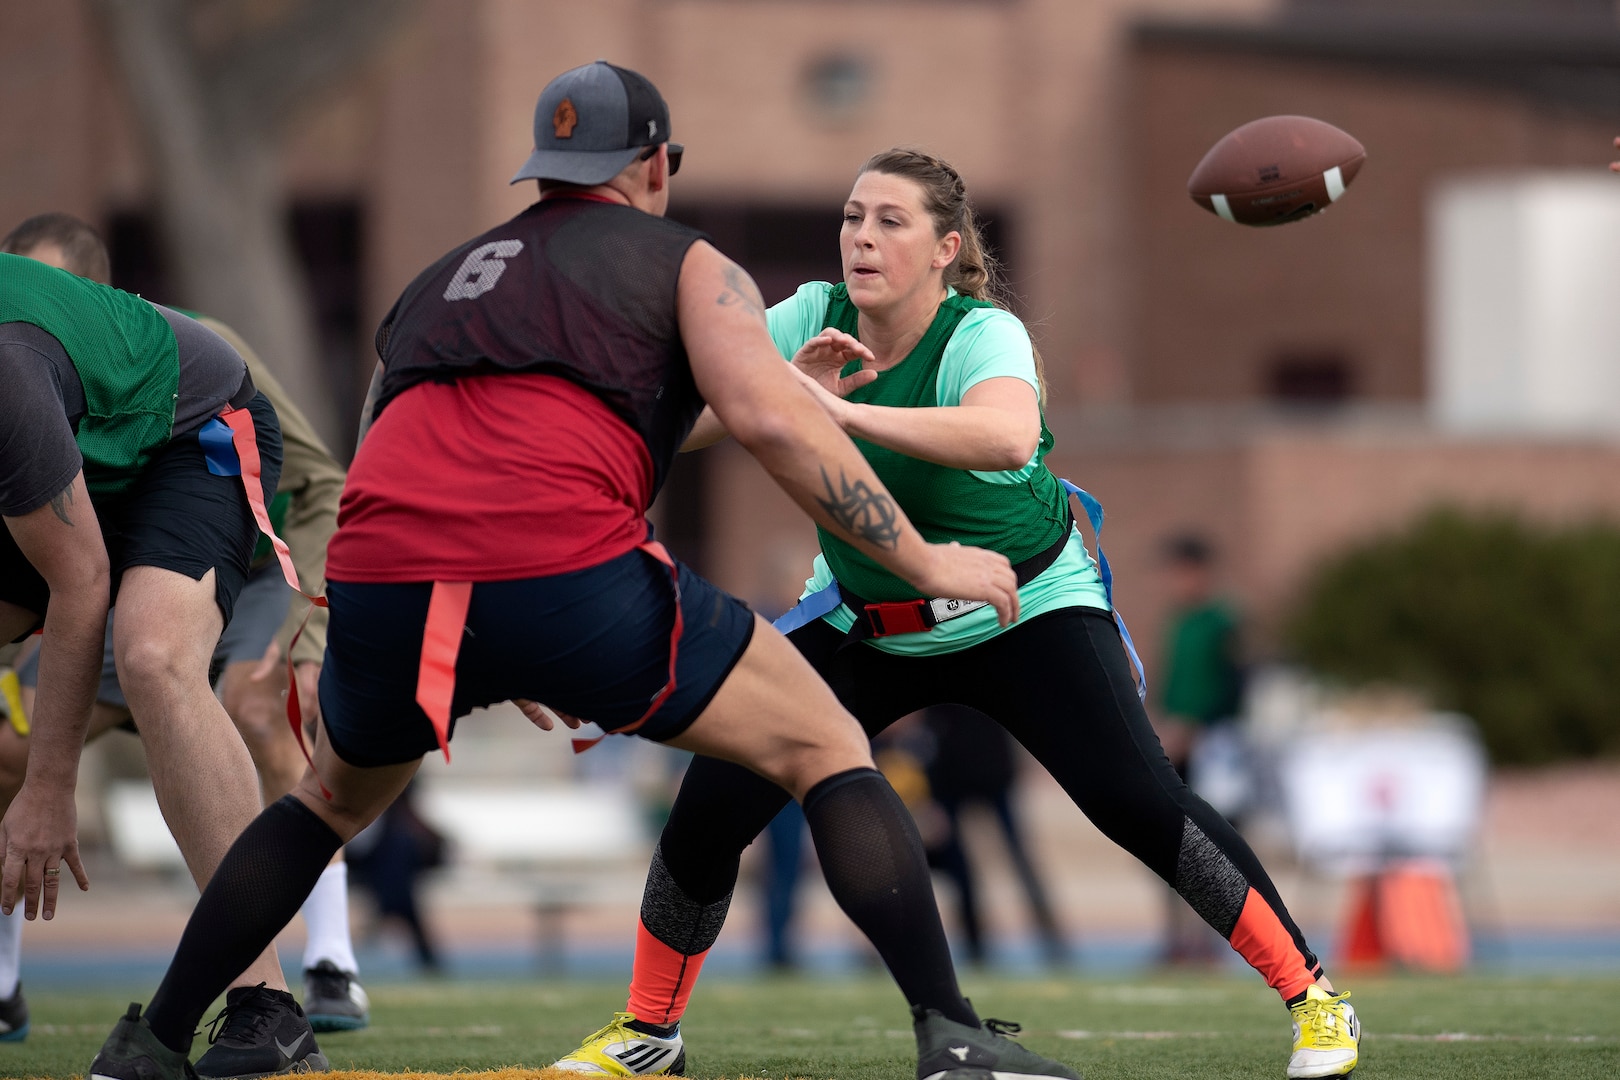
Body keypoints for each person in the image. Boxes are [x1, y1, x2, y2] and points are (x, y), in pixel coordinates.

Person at [85, 61, 1079, 1080]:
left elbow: (383, 444)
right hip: (557, 558)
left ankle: (151, 1042)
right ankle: (955, 1041)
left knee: (328, 799)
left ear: (544, 169)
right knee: (825, 743)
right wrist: (917, 555)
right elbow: (772, 422)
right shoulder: (688, 263)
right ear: (656, 165)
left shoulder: (439, 277)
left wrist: (460, 636)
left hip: (388, 574)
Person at [552, 148, 1361, 1080]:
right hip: (869, 619)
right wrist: (747, 402)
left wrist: (837, 414)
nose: (862, 237)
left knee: (1137, 803)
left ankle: (1315, 999)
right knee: (709, 807)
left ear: (945, 249)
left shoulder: (984, 332)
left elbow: (1005, 433)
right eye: (853, 216)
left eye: (890, 221)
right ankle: (650, 1033)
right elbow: (676, 418)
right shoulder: (809, 314)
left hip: (1023, 604)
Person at [0, 212, 371, 1041]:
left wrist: (51, 786)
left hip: (192, 436)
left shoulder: (11, 373)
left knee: (158, 655)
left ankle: (269, 998)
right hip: (88, 490)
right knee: (14, 740)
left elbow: (81, 582)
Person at [1153, 532, 1249, 966]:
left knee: (1215, 845)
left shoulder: (1223, 622)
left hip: (1214, 747)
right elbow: (1171, 682)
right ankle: (1178, 938)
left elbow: (1234, 686)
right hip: (1176, 744)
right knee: (1168, 843)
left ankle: (1214, 939)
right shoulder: (1178, 621)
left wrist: (1196, 724)